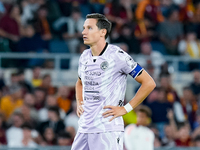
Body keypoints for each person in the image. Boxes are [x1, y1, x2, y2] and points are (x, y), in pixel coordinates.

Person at [71, 13, 156, 150]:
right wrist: (79, 102)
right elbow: (79, 82)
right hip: (84, 127)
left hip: (107, 128)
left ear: (102, 32)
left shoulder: (117, 55)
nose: (83, 32)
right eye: (84, 28)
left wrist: (125, 109)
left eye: (89, 28)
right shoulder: (84, 56)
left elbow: (149, 82)